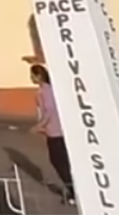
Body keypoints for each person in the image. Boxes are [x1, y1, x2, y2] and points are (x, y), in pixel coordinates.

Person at [30, 64, 76, 206]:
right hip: (53, 130)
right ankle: (72, 189)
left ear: (39, 76)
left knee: (59, 161)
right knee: (60, 161)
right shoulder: (44, 90)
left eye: (32, 75)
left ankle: (73, 190)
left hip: (56, 131)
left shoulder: (46, 90)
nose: (31, 78)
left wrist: (40, 125)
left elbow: (50, 110)